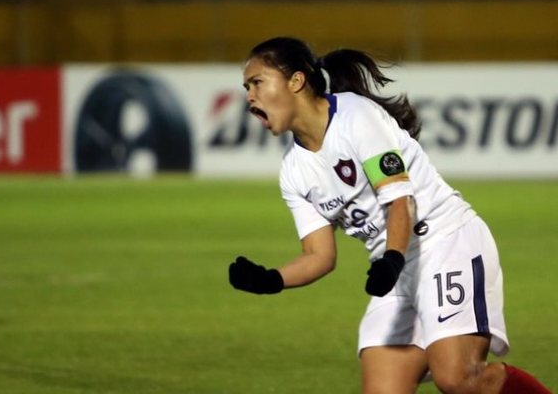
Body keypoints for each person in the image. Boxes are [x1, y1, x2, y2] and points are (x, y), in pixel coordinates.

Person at [228, 37, 551, 394]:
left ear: (296, 81)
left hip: (444, 242)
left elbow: (401, 202)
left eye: (256, 82)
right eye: (246, 88)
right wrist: (270, 279)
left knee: (459, 378)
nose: (249, 97)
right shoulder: (293, 171)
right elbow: (319, 256)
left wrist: (392, 258)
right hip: (395, 269)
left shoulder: (355, 116)